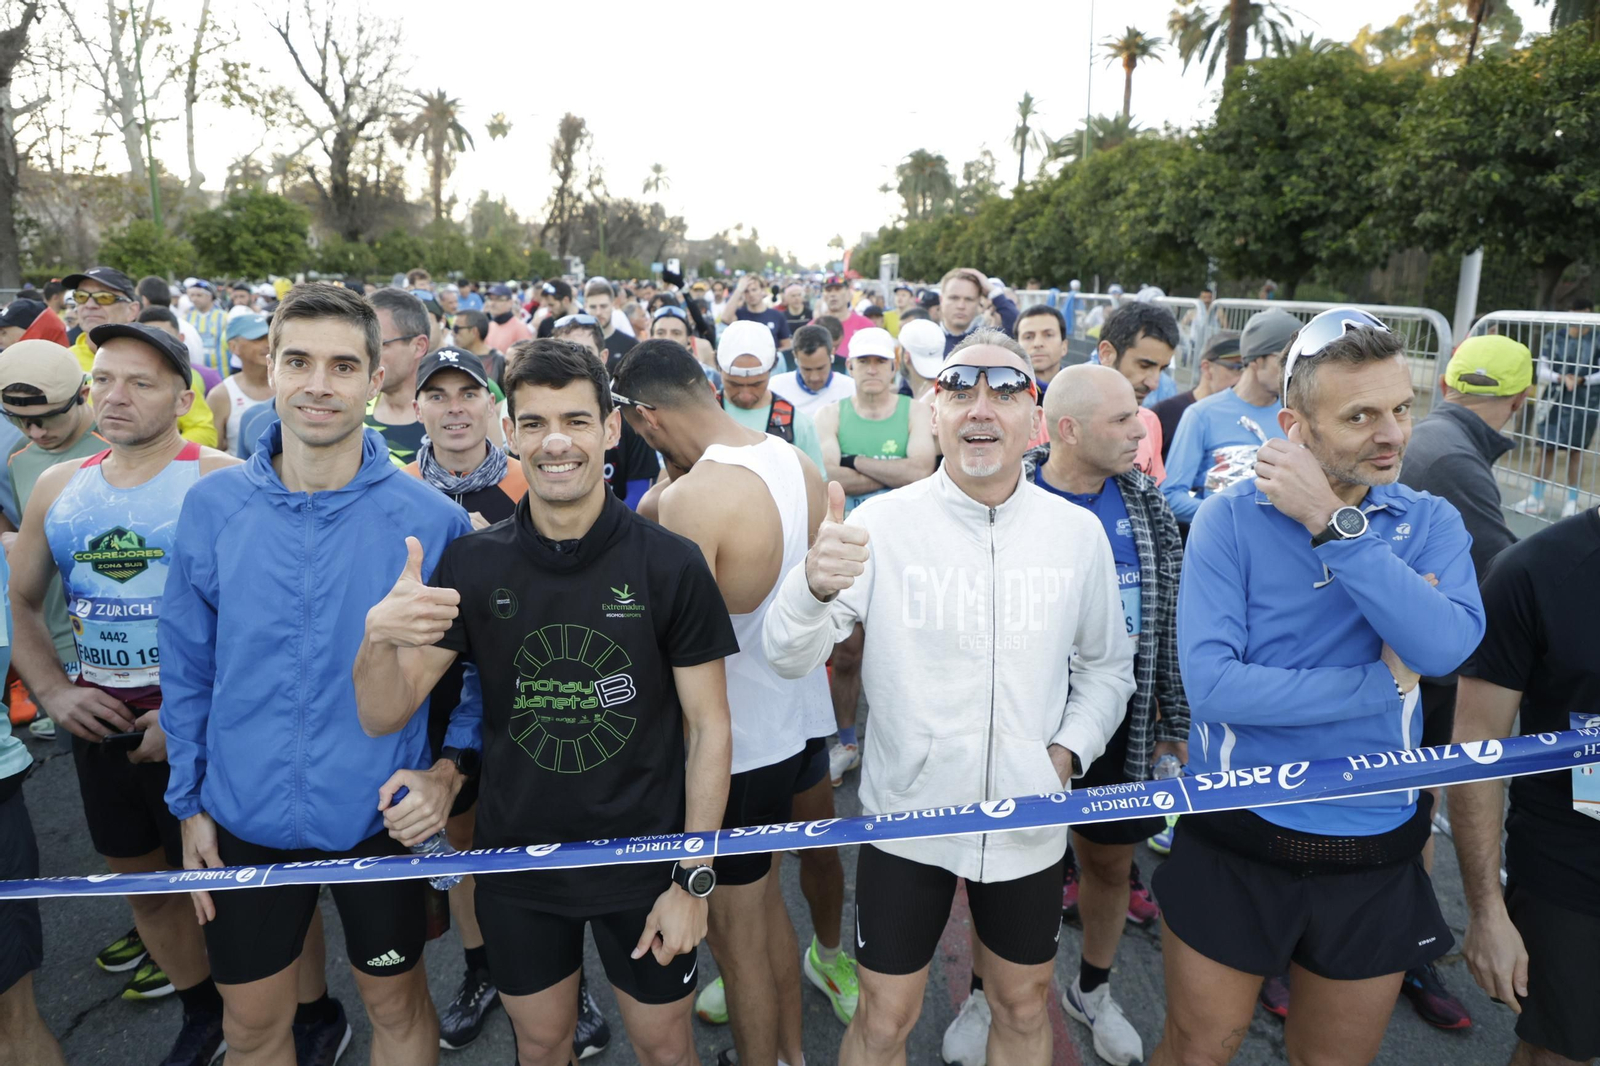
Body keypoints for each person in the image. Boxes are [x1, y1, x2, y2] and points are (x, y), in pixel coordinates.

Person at [352, 339, 735, 1066]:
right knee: (542, 1042)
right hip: (518, 865)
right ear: (511, 431)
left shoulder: (669, 563)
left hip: (644, 862)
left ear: (611, 429)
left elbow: (710, 728)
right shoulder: (473, 560)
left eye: (576, 421)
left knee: (664, 1047)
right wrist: (377, 638)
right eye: (534, 423)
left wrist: (693, 878)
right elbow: (382, 712)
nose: (556, 442)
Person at [764, 329, 1135, 1066]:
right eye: (960, 390)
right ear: (932, 413)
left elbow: (1107, 669)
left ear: (1034, 419)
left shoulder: (1076, 535)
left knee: (1023, 1004)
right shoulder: (878, 525)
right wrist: (810, 586)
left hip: (1028, 817)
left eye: (1005, 391)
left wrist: (1064, 753)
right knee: (884, 1018)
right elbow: (786, 655)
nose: (981, 409)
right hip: (910, 816)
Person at [1149, 309, 1486, 1066]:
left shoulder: (1428, 519)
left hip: (1374, 846)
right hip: (1239, 830)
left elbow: (1442, 648)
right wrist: (1376, 684)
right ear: (1294, 424)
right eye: (1361, 416)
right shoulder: (1229, 521)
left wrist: (1333, 524)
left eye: (1402, 409)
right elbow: (1215, 689)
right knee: (1199, 1049)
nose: (1394, 435)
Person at [161, 284, 477, 1064]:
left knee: (398, 1010)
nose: (318, 384)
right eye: (298, 361)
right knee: (253, 1029)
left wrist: (444, 774)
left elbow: (471, 676)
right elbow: (188, 664)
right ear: (270, 368)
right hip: (242, 814)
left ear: (376, 381)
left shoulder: (431, 519)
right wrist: (189, 803)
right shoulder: (213, 506)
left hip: (376, 815)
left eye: (343, 366)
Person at [6, 324, 258, 1065]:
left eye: (139, 383)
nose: (114, 396)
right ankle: (202, 1012)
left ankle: (258, 1019)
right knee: (147, 890)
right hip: (104, 718)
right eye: (103, 380)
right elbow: (19, 603)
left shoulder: (224, 478)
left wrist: (190, 719)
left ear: (184, 398)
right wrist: (53, 691)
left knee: (233, 891)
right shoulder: (59, 486)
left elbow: (267, 621)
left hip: (208, 722)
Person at [615, 336, 853, 1064]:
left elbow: (663, 647)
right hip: (798, 728)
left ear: (645, 417)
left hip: (732, 749)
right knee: (767, 920)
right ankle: (789, 1054)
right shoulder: (792, 456)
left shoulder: (690, 501)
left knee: (739, 944)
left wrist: (658, 497)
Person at [946, 363, 1188, 1066]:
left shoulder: (1147, 507)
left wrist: (1174, 717)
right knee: (1001, 864)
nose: (1139, 429)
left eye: (1137, 414)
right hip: (1018, 715)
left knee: (1110, 865)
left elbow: (1167, 623)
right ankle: (981, 996)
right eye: (1121, 420)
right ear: (1071, 430)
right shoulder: (1000, 493)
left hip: (1122, 718)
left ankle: (1093, 990)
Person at [1391, 333, 1533, 1031]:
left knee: (1407, 805)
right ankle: (1406, 953)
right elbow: (1508, 582)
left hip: (1417, 658)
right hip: (1420, 665)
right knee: (1408, 807)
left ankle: (1401, 949)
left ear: (1445, 385)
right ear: (1520, 400)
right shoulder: (1454, 457)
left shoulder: (1442, 443)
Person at [1452, 502, 1600, 1066]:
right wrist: (1487, 911)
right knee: (1557, 1050)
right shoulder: (1535, 570)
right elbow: (1475, 752)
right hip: (1574, 869)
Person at [2, 341, 109, 685]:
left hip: (130, 644)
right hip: (58, 647)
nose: (35, 432)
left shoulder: (122, 445)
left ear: (84, 394)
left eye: (47, 418)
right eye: (19, 420)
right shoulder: (20, 456)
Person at [1161, 308, 1300, 526]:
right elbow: (1170, 498)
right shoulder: (1201, 415)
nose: (1293, 371)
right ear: (1256, 359)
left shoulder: (1296, 418)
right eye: (1285, 361)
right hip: (1221, 549)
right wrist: (1234, 516)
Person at [62, 268, 217, 446]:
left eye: (104, 297)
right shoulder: (62, 362)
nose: (89, 305)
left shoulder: (161, 358)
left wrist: (151, 461)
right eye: (81, 296)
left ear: (132, 309)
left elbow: (204, 429)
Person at [404, 347, 528, 528]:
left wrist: (498, 545)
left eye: (468, 395)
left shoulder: (528, 484)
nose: (455, 408)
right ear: (418, 410)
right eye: (437, 397)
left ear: (491, 405)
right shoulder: (401, 486)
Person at [542, 326, 661, 508]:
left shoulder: (629, 416)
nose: (574, 362)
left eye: (586, 352)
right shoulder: (534, 414)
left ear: (603, 357)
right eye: (565, 351)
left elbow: (639, 493)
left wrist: (605, 531)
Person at [1513, 298, 1598, 519]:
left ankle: (1572, 502)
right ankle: (1536, 497)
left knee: (1576, 451)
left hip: (1585, 403)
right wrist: (1561, 378)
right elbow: (1541, 369)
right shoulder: (1554, 337)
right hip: (1554, 401)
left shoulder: (1598, 338)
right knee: (1546, 448)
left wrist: (1582, 380)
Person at [718, 320, 827, 475]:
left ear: (773, 367)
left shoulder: (798, 425)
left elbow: (817, 488)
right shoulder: (697, 417)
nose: (745, 395)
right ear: (718, 367)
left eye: (756, 384)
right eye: (734, 384)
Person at [1089, 302, 1178, 485]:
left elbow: (1154, 503)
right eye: (1144, 366)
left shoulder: (1150, 422)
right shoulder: (1052, 422)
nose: (1154, 383)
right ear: (1107, 354)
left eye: (1162, 369)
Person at [1148, 332, 1244, 461]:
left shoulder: (1242, 420)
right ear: (1207, 368)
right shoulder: (1166, 413)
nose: (1244, 378)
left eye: (1247, 369)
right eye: (1237, 368)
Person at [366, 287, 432, 464]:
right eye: (363, 344)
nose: (366, 356)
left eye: (379, 344)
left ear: (418, 346)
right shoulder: (351, 413)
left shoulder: (450, 418)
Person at [206, 313, 273, 456]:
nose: (267, 344)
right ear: (234, 347)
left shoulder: (288, 385)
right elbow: (212, 452)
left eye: (269, 337)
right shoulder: (221, 396)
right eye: (257, 339)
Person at [770, 324, 855, 418]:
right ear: (795, 356)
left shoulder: (851, 390)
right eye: (807, 369)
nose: (814, 377)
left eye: (820, 368)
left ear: (832, 353)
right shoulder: (775, 388)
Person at [939, 269, 1018, 355]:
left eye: (969, 299)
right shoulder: (926, 337)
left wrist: (993, 292)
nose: (961, 306)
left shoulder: (989, 340)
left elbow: (1019, 328)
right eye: (954, 298)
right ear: (941, 299)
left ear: (978, 302)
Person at [720, 274, 793, 353]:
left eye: (754, 290)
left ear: (762, 290)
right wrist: (739, 289)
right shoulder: (739, 314)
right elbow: (725, 318)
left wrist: (770, 355)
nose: (751, 294)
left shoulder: (777, 315)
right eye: (746, 291)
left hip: (771, 362)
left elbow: (786, 345)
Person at [1014, 305, 1070, 390]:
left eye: (1048, 335)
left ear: (1064, 346)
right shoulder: (1005, 390)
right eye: (1028, 337)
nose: (1038, 343)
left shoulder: (1079, 388)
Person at [583, 279, 638, 365]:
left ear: (613, 305)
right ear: (585, 307)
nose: (598, 312)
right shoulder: (578, 345)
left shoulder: (630, 345)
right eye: (593, 307)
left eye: (603, 306)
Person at [816, 276, 872, 358]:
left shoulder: (866, 326)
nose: (833, 294)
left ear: (848, 294)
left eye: (838, 289)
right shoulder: (813, 327)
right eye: (828, 290)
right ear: (823, 296)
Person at [449, 308, 507, 388]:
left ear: (474, 331)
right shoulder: (453, 358)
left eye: (456, 329)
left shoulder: (499, 361)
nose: (452, 333)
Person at [183, 280, 229, 375]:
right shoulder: (186, 318)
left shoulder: (224, 317)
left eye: (199, 295)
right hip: (195, 372)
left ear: (210, 296)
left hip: (220, 371)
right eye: (192, 295)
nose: (194, 299)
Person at [486, 283, 535, 351]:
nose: (492, 303)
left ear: (510, 302)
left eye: (498, 299)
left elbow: (526, 357)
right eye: (490, 299)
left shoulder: (520, 328)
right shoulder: (490, 325)